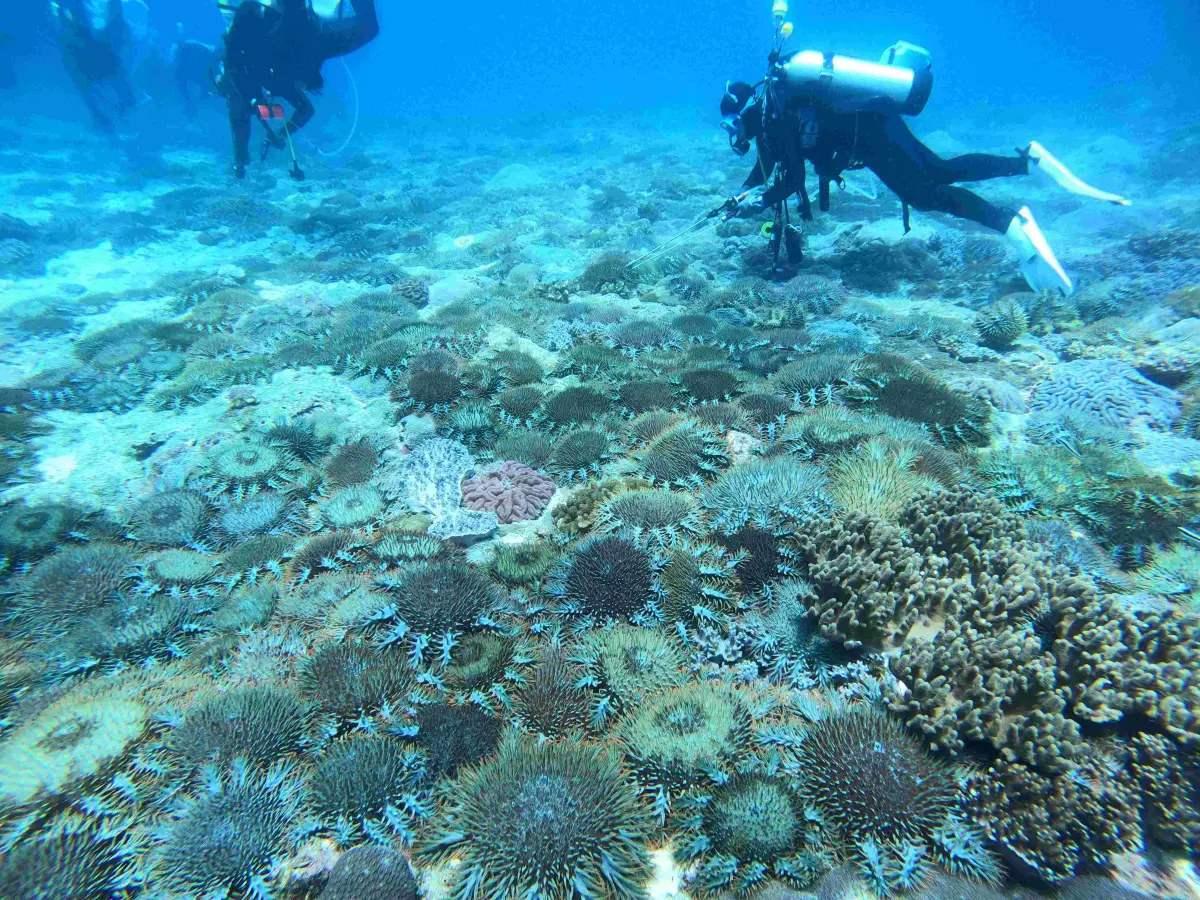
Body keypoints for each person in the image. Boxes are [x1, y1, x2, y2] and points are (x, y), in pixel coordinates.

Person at [719, 69, 1129, 295]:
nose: (733, 135)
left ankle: (1013, 209)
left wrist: (757, 203)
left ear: (746, 115)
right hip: (871, 130)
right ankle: (1024, 171)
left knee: (932, 186)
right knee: (936, 176)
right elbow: (767, 167)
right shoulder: (772, 123)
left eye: (731, 125)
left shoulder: (778, 121)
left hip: (874, 133)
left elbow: (790, 179)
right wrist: (740, 194)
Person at [217, 0, 378, 178]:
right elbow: (305, 109)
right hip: (306, 43)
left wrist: (243, 158)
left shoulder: (252, 79)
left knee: (369, 29)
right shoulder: (273, 81)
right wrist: (279, 135)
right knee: (369, 29)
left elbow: (240, 116)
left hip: (301, 43)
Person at [54, 0, 136, 134]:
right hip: (91, 56)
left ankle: (113, 117)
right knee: (102, 88)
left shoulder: (84, 21)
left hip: (92, 56)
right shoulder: (84, 19)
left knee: (97, 89)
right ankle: (110, 118)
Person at [171, 24, 219, 118]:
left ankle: (192, 109)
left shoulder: (188, 48)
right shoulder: (188, 48)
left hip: (200, 70)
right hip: (198, 71)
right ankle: (191, 109)